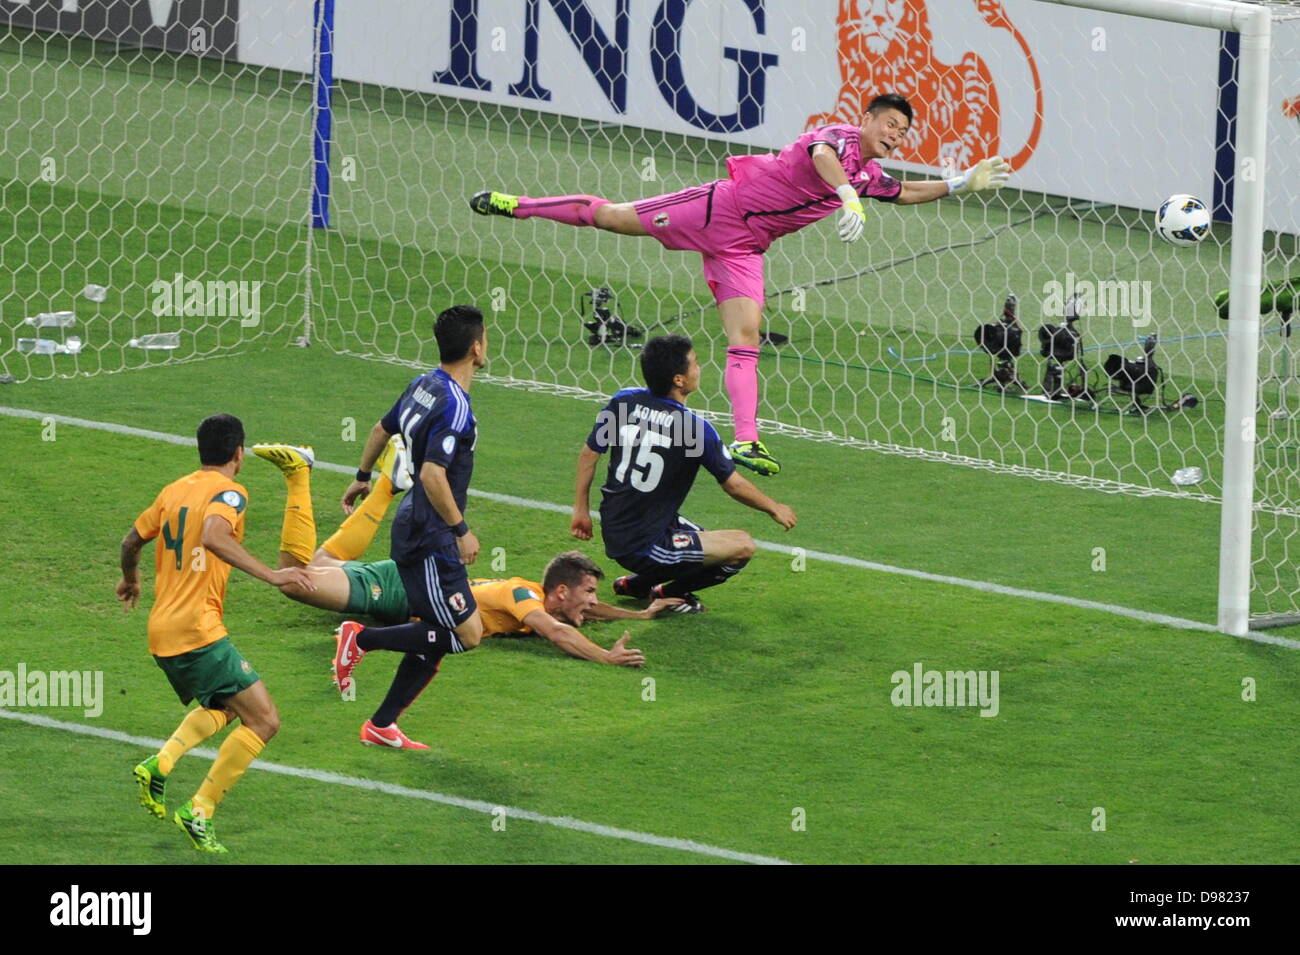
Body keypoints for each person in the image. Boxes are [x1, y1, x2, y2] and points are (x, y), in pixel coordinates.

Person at [472, 92, 1012, 476]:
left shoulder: (869, 174)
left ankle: (747, 441)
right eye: (889, 122)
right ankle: (516, 206)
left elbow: (908, 192)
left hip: (744, 249)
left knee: (746, 336)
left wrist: (963, 182)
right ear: (866, 118)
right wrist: (847, 197)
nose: (895, 134)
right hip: (717, 209)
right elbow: (822, 158)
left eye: (902, 131)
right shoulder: (837, 139)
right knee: (613, 217)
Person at [248, 440, 675, 746]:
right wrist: (606, 657)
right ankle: (301, 475)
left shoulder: (541, 597)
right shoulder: (524, 599)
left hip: (423, 588)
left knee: (320, 565)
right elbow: (558, 632)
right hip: (404, 592)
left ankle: (386, 483)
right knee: (297, 581)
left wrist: (640, 616)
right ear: (559, 592)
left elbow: (587, 612)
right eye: (586, 592)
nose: (591, 601)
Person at [117, 414, 315, 854]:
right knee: (265, 720)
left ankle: (161, 762)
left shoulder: (173, 490)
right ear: (238, 454)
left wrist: (130, 579)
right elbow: (213, 534)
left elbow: (131, 542)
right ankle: (200, 809)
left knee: (226, 705)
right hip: (196, 629)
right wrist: (273, 576)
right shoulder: (231, 492)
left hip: (161, 630)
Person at [328, 305, 489, 743]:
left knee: (431, 632)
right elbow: (433, 475)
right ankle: (361, 641)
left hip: (414, 525)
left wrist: (362, 477)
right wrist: (461, 530)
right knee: (468, 634)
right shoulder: (455, 405)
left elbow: (382, 427)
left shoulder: (423, 385)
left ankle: (380, 724)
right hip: (431, 536)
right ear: (477, 347)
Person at [571, 334, 797, 612]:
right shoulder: (694, 429)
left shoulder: (623, 402)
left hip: (618, 523)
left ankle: (637, 585)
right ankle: (667, 595)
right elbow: (733, 485)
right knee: (740, 548)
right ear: (679, 379)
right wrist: (774, 508)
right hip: (644, 543)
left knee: (708, 544)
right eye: (695, 363)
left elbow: (589, 453)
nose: (699, 369)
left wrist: (581, 510)